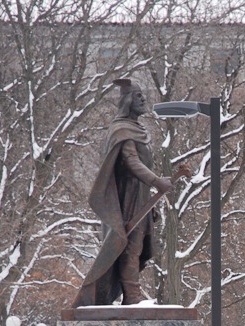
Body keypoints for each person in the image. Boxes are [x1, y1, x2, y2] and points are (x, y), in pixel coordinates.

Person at [72, 79, 175, 307]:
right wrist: (157, 181)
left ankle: (132, 296)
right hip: (126, 198)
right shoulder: (121, 129)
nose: (143, 99)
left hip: (140, 195)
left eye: (142, 96)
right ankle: (132, 296)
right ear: (128, 101)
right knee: (128, 246)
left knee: (136, 247)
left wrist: (151, 197)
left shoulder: (137, 130)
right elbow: (130, 161)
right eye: (138, 96)